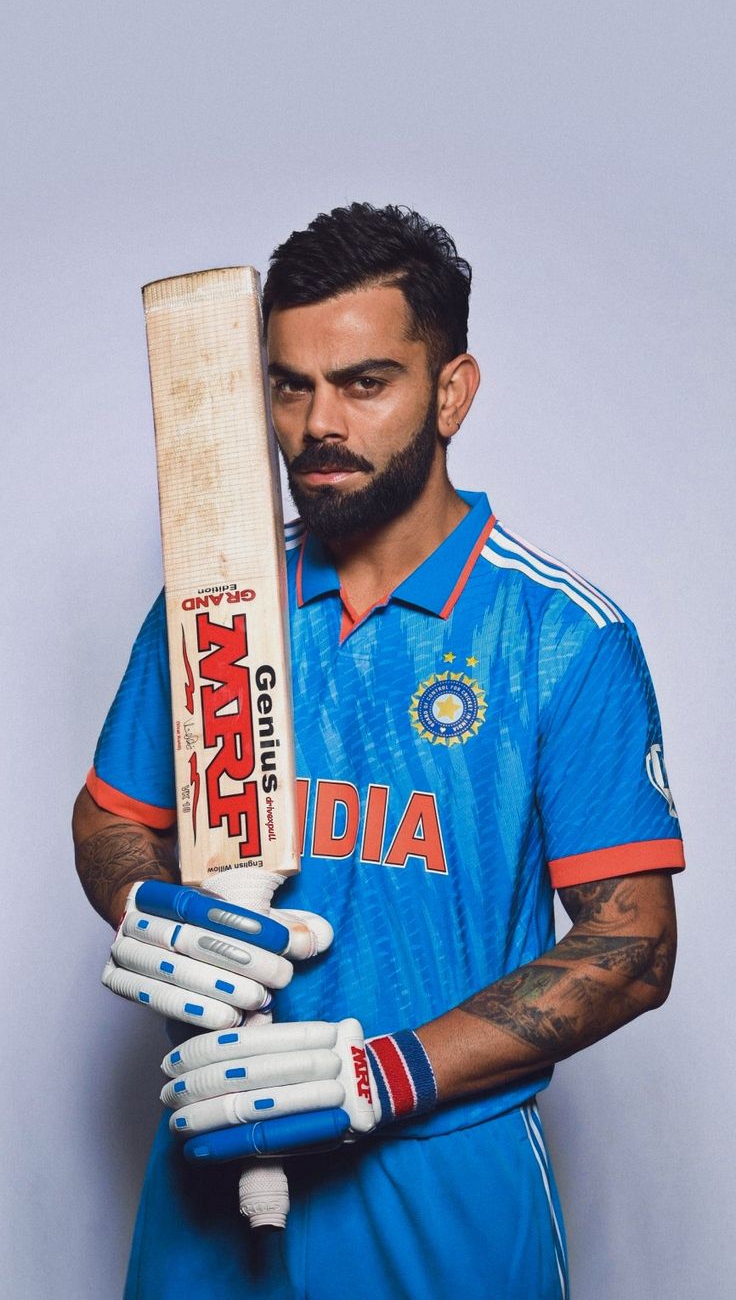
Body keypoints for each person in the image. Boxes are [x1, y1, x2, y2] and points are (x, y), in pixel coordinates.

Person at [73, 203, 684, 1300]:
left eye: (364, 382)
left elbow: (631, 946)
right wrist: (149, 907)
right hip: (214, 1154)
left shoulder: (560, 637)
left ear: (451, 390)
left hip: (438, 1176)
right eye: (290, 384)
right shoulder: (215, 605)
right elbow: (115, 816)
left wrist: (380, 1072)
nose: (319, 423)